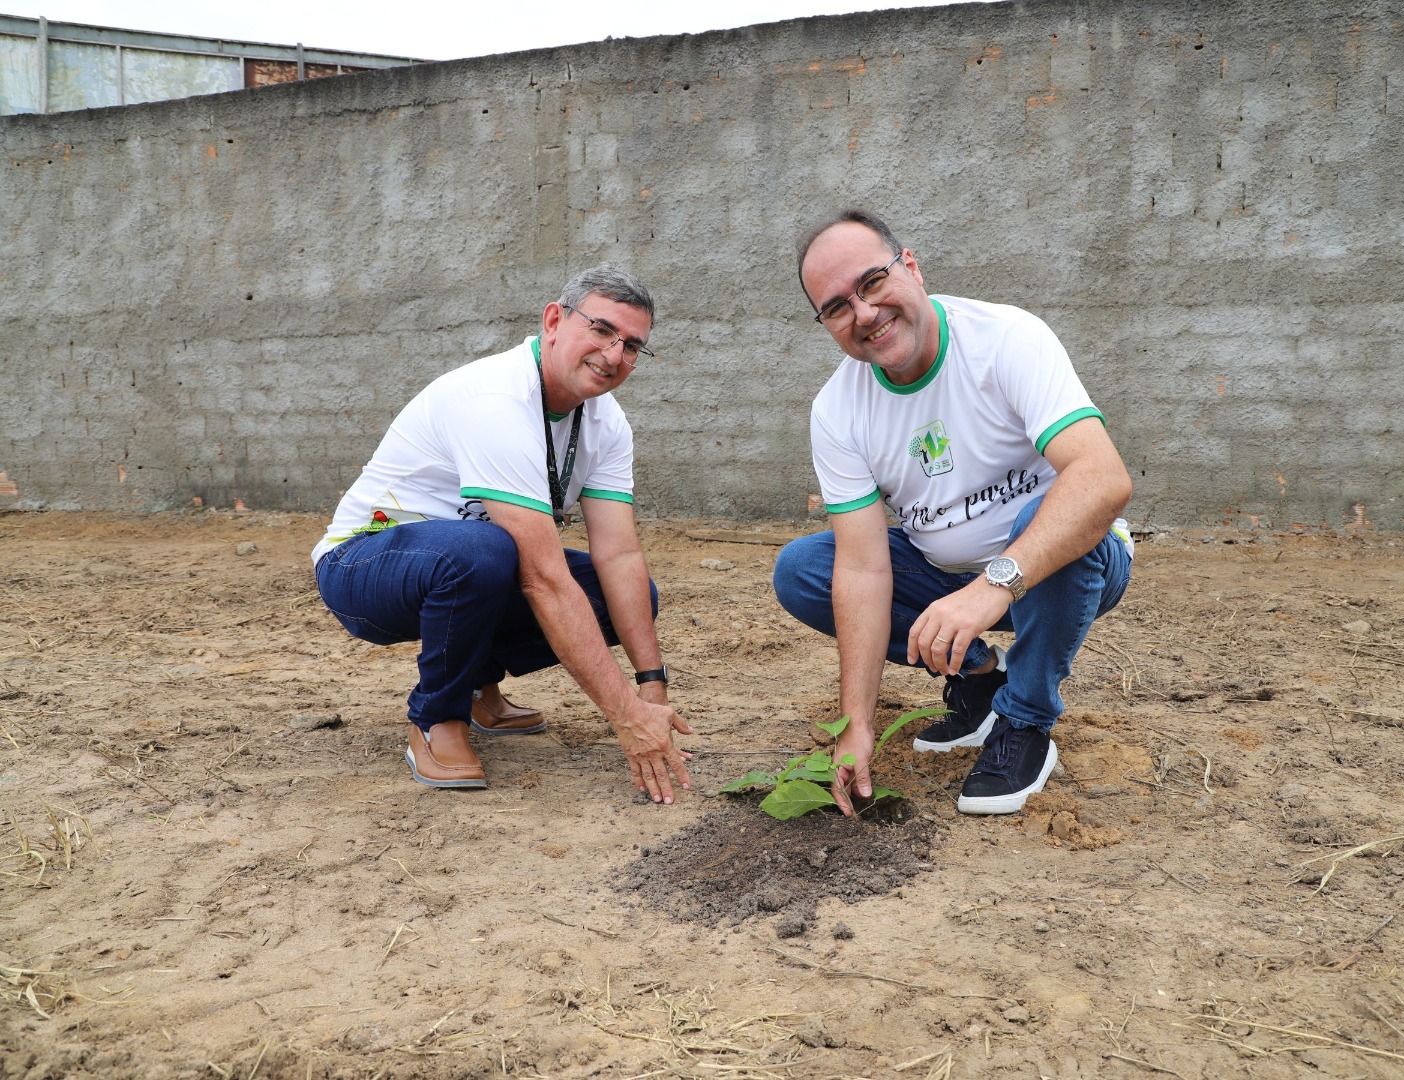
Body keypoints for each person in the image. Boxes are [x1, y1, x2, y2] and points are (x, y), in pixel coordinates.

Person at [773, 210, 1134, 816]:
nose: (863, 314)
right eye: (836, 307)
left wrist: (995, 584)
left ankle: (1024, 721)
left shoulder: (1005, 338)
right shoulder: (838, 409)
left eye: (872, 283)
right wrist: (855, 723)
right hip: (947, 577)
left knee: (1059, 513)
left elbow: (1103, 479)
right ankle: (979, 683)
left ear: (909, 267)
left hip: (1071, 570)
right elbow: (862, 569)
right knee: (805, 567)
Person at [311, 265, 692, 803]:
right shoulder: (495, 398)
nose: (614, 356)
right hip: (364, 560)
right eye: (602, 330)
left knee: (621, 593)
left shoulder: (605, 423)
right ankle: (435, 718)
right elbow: (541, 578)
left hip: (467, 561)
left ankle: (474, 687)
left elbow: (621, 554)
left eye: (632, 346)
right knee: (485, 552)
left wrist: (651, 687)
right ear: (555, 320)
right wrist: (625, 715)